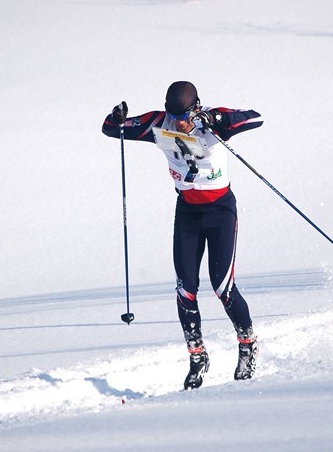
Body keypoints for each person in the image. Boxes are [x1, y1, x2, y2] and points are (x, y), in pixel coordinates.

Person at [101, 81, 263, 389]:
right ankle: (197, 357)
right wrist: (117, 118)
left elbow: (255, 117)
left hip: (220, 212)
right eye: (173, 115)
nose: (179, 123)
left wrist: (216, 120)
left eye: (185, 116)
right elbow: (113, 130)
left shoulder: (210, 122)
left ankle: (247, 344)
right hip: (188, 212)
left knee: (223, 287)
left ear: (197, 108)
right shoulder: (159, 123)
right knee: (185, 289)